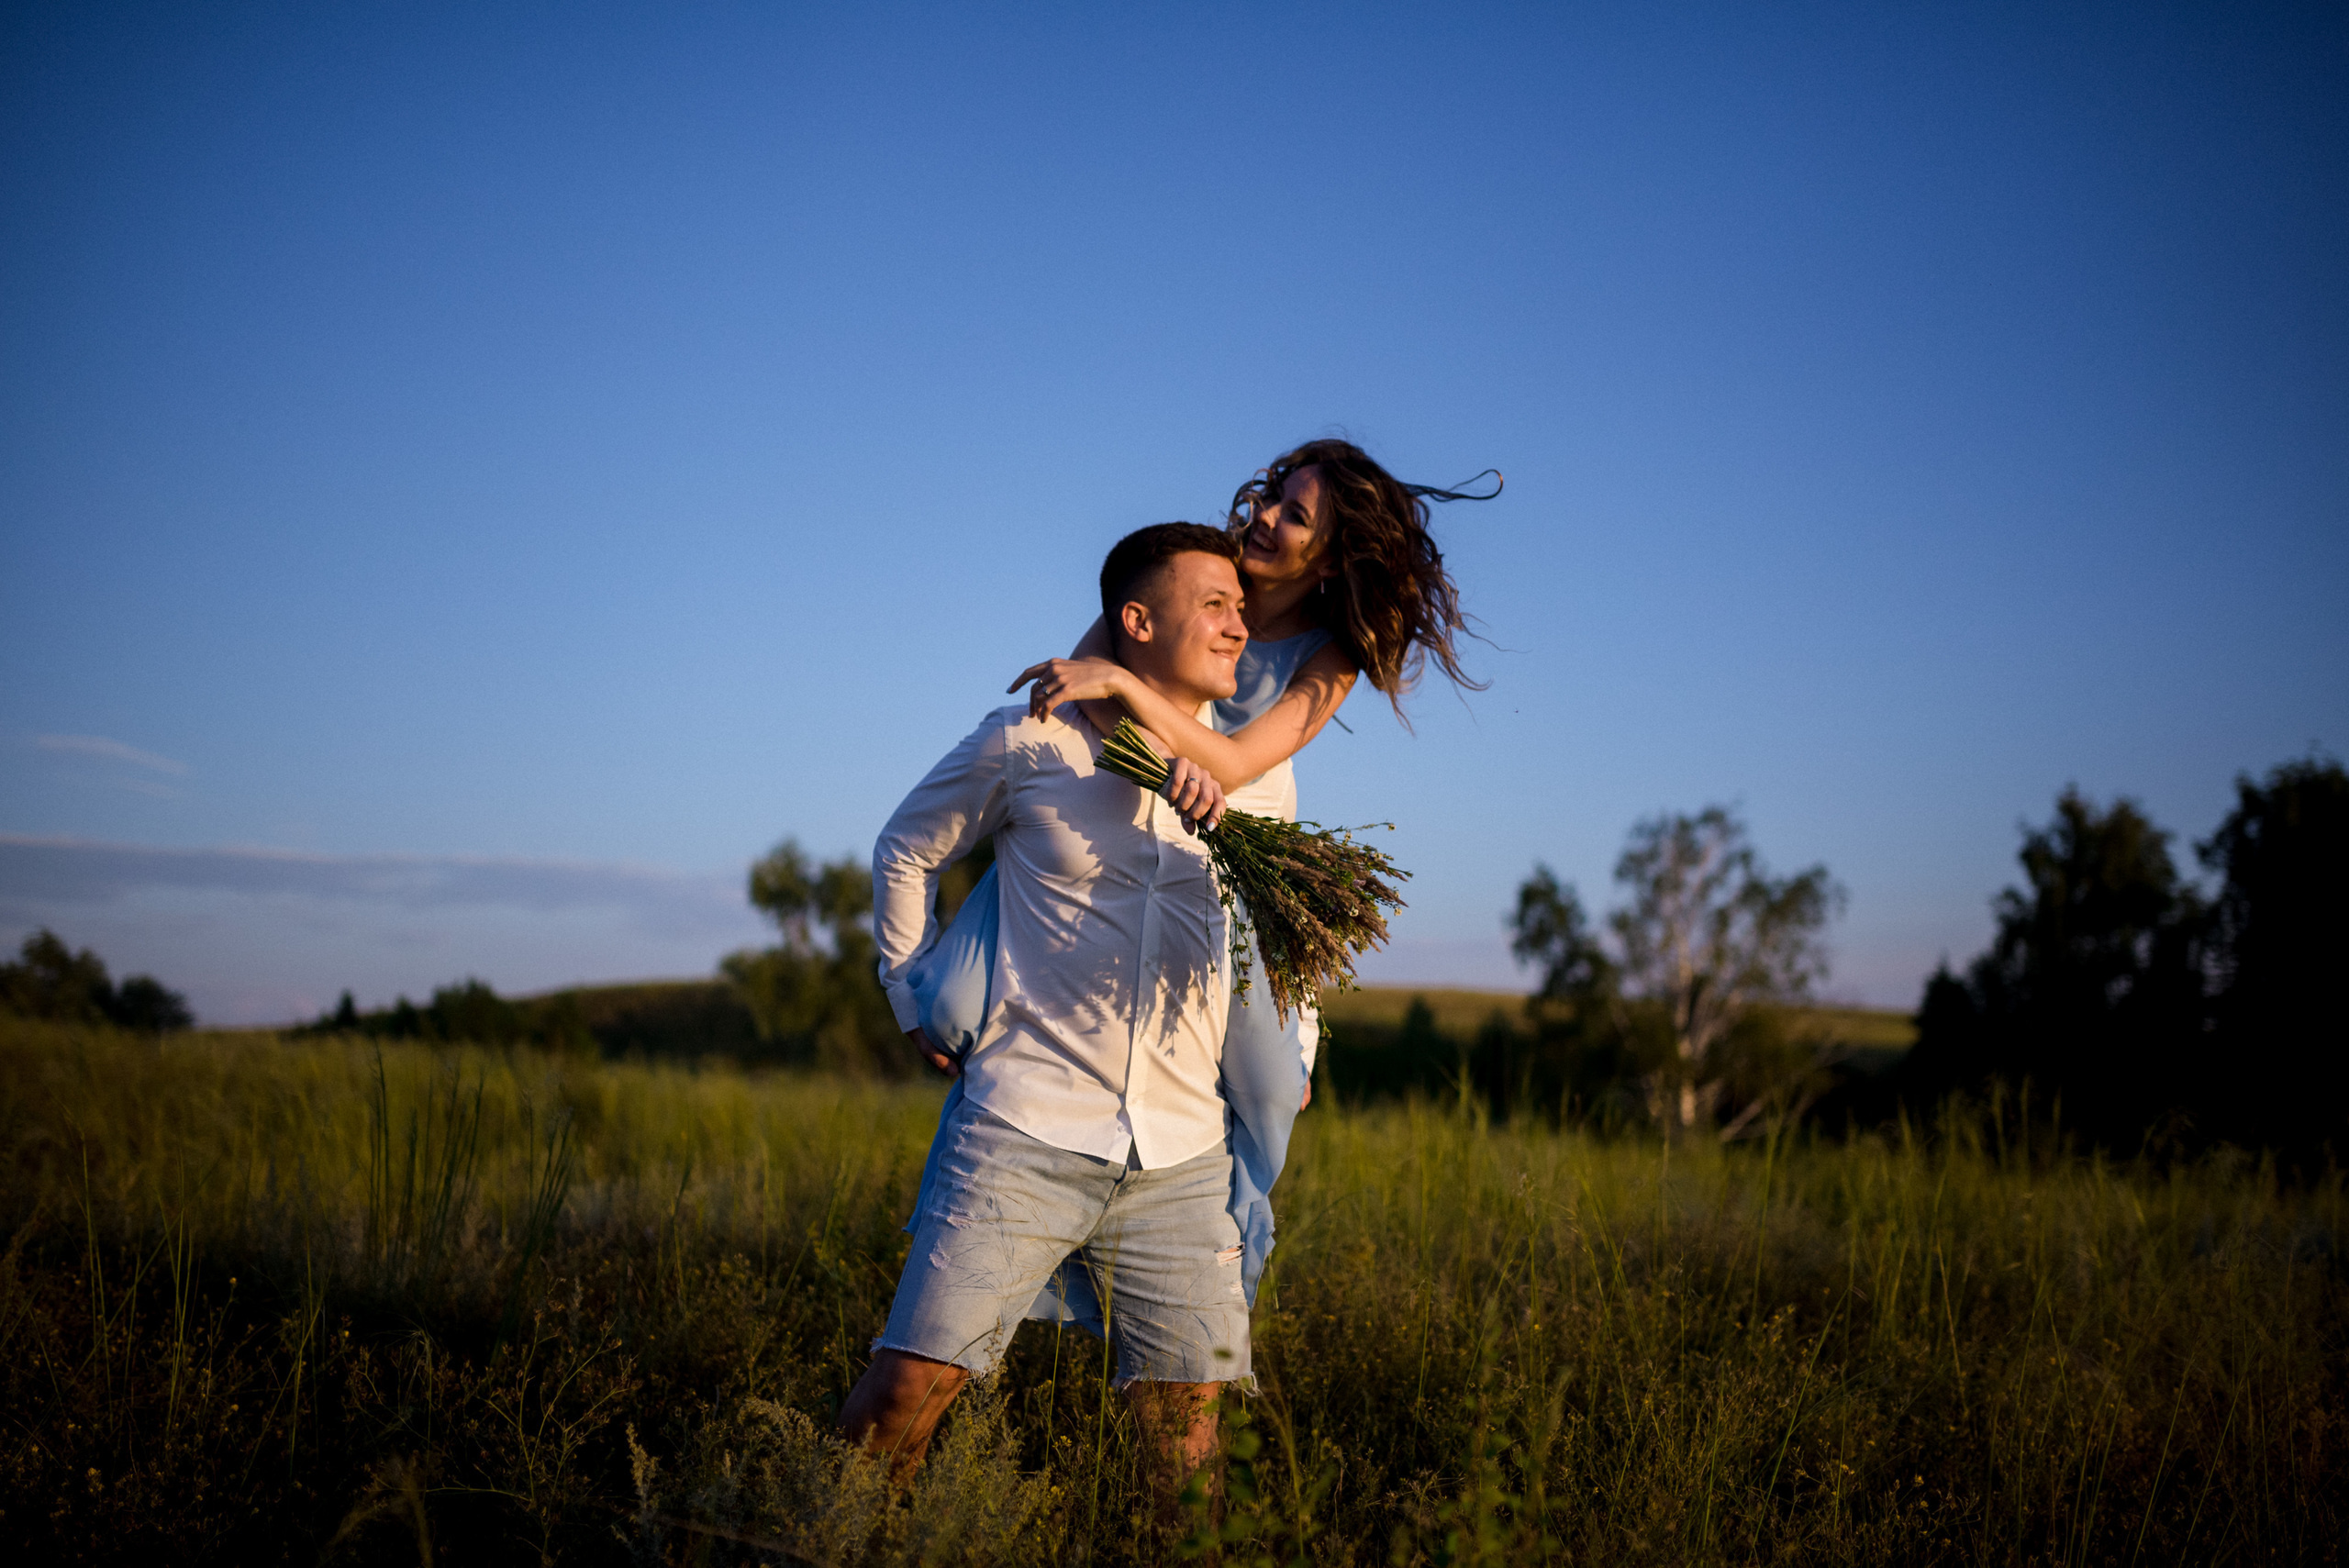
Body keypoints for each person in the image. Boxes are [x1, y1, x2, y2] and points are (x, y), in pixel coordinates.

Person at [911, 439, 1497, 1316]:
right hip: (1120, 832)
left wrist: (1124, 686)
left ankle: (1222, 1273)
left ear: (1331, 554)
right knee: (947, 1010)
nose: (1263, 515)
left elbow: (1227, 756)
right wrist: (1127, 709)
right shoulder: (1191, 579)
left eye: (1294, 515)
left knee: (1264, 1091)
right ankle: (970, 1243)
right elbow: (1080, 704)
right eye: (1271, 495)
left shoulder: (1331, 654)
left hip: (1242, 861)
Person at [843, 523, 1249, 1505]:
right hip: (1023, 1124)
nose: (1241, 626)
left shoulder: (1251, 772)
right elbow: (905, 848)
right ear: (1135, 619)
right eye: (1215, 605)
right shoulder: (1028, 738)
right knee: (911, 1387)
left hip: (1184, 1154)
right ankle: (824, 1533)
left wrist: (1299, 1044)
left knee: (1184, 1442)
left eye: (1243, 607)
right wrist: (909, 995)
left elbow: (1280, 939)